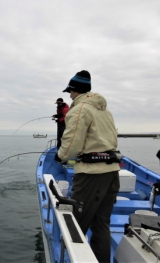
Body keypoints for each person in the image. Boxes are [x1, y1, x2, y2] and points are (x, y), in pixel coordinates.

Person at [56, 70, 120, 263]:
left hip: (91, 175)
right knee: (101, 223)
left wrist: (60, 156)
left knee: (76, 225)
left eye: (70, 91)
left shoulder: (80, 109)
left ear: (75, 90)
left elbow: (72, 144)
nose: (69, 95)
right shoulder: (104, 110)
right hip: (111, 173)